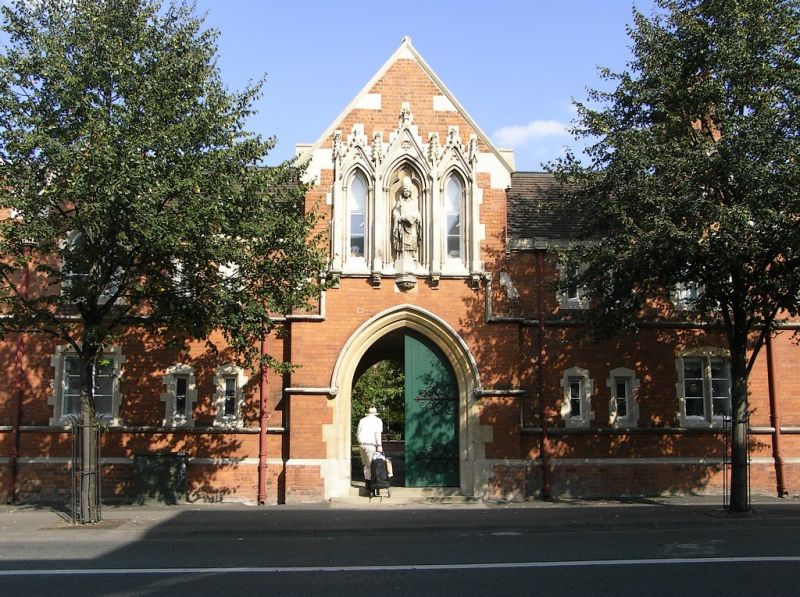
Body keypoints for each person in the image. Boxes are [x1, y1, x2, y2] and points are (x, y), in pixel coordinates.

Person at [391, 175, 421, 261]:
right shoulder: (400, 202)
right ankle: (402, 255)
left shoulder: (413, 203)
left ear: (410, 191)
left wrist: (415, 218)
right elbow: (395, 213)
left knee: (412, 241)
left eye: (407, 190)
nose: (406, 192)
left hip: (411, 226)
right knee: (403, 241)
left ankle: (411, 256)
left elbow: (417, 214)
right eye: (405, 190)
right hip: (402, 226)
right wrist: (399, 217)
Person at [357, 406, 383, 489]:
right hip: (371, 445)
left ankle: (367, 482)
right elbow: (377, 433)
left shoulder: (362, 420)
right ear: (375, 413)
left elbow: (358, 432)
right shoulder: (378, 421)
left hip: (362, 444)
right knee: (372, 465)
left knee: (365, 465)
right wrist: (379, 445)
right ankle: (373, 485)